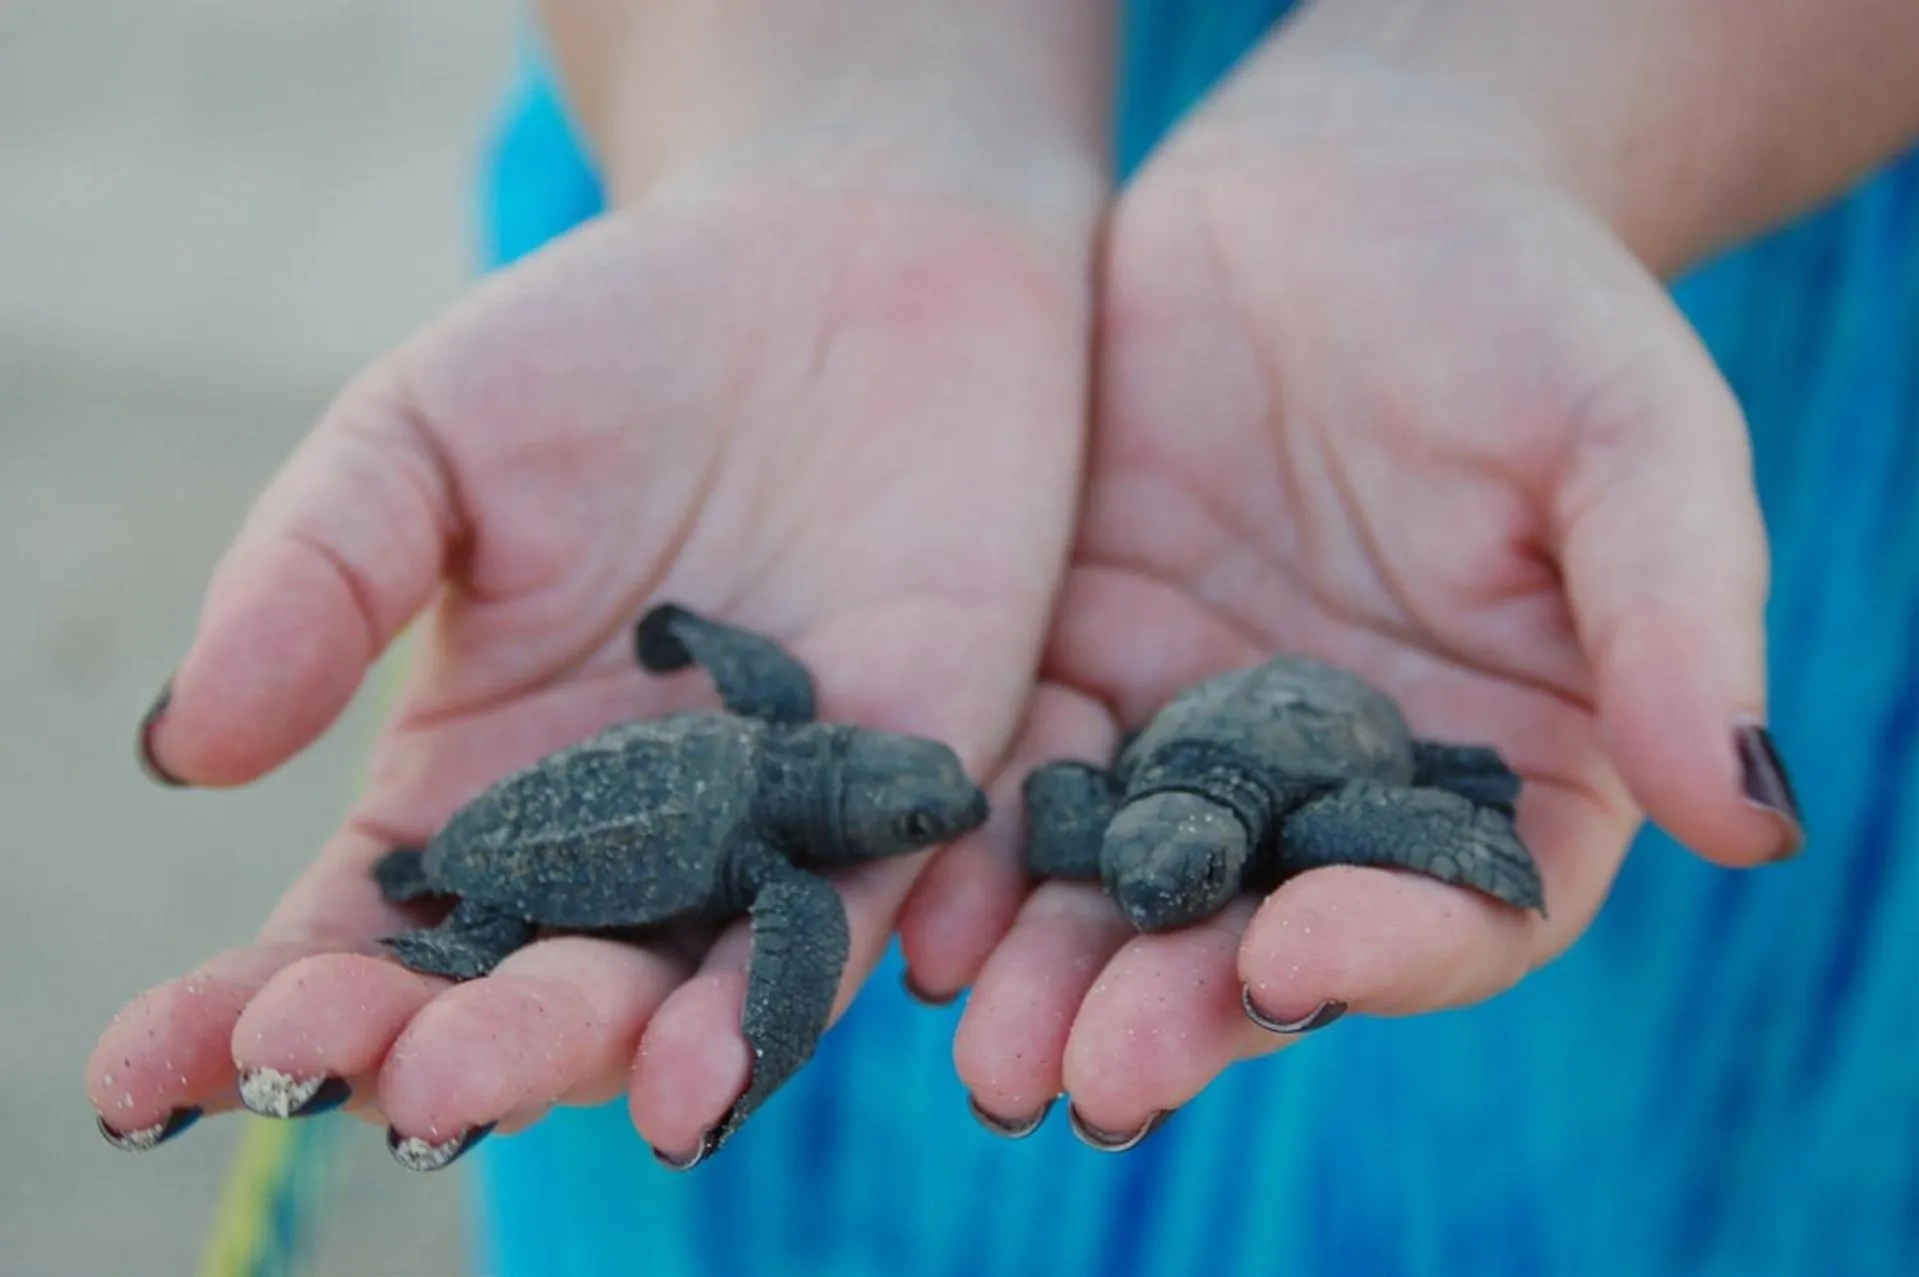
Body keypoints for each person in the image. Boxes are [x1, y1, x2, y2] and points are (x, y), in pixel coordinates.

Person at [93, 2, 1917, 1273]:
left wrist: (1487, 112)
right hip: (788, 301)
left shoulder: (878, 749)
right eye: (918, 811)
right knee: (627, 1025)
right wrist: (848, 116)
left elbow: (1309, 802)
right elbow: (763, 750)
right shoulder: (793, 851)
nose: (938, 810)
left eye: (925, 806)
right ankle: (456, 908)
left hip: (1649, 221)